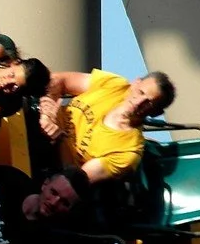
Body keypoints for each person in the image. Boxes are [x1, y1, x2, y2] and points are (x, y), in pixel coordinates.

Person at [37, 68, 176, 185]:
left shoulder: (128, 152)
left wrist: (59, 137)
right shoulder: (114, 84)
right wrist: (47, 113)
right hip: (37, 122)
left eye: (148, 103)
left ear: (156, 113)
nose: (139, 102)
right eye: (141, 92)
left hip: (49, 168)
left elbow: (73, 182)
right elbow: (58, 80)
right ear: (135, 83)